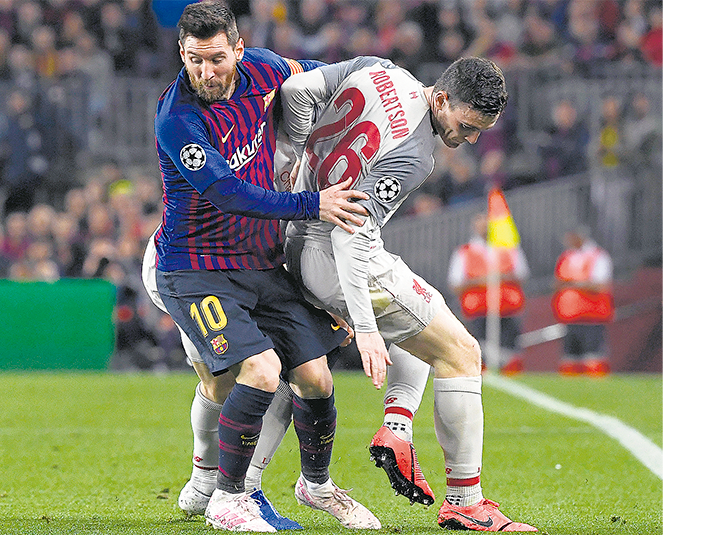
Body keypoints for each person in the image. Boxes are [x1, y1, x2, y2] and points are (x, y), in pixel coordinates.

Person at [279, 55, 537, 531]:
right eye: (466, 125)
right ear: (440, 99)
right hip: (335, 256)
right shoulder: (416, 152)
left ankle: (395, 428)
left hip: (294, 230)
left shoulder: (378, 69)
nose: (471, 139)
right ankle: (465, 499)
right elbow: (350, 235)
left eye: (481, 131)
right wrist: (364, 327)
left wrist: (290, 155)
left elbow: (296, 92)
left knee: (418, 318)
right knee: (462, 351)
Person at [151, 3, 378, 532]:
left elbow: (310, 81)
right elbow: (227, 194)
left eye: (214, 59)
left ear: (237, 48)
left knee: (317, 377)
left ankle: (316, 486)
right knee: (258, 370)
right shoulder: (177, 118)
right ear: (181, 55)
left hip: (259, 263)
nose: (205, 72)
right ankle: (228, 498)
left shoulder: (266, 69)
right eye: (193, 60)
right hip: (196, 269)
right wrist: (312, 202)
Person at [447, 213, 530, 374]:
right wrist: (480, 281)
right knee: (479, 347)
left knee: (509, 349)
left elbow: (522, 274)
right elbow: (455, 283)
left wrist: (500, 278)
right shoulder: (464, 252)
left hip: (506, 308)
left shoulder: (508, 247)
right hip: (477, 309)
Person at [552, 226, 614, 376]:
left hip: (591, 316)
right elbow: (557, 283)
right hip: (569, 316)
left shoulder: (598, 256)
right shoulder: (566, 256)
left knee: (593, 358)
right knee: (570, 359)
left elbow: (601, 285)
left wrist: (573, 283)